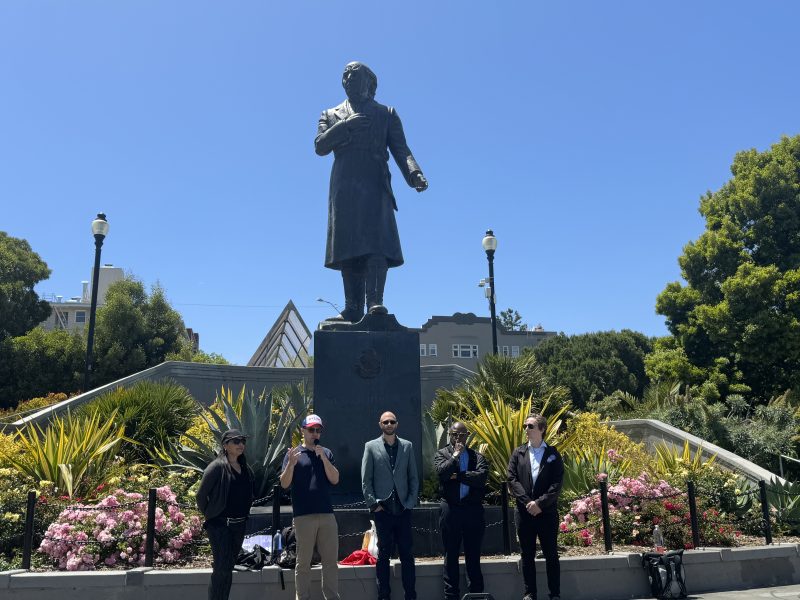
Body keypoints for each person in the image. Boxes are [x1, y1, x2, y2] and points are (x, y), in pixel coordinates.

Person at [315, 61, 428, 322]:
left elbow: (402, 150)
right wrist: (346, 126)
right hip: (344, 185)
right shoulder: (330, 114)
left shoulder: (386, 113)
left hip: (375, 181)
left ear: (370, 83)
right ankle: (352, 307)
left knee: (376, 242)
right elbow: (320, 146)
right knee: (347, 245)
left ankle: (375, 302)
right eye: (346, 78)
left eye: (355, 77)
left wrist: (414, 173)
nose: (349, 81)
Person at [280, 414, 341, 600]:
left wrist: (323, 458)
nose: (315, 433)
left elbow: (335, 479)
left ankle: (331, 597)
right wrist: (290, 464)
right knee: (303, 562)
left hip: (326, 515)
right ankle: (302, 597)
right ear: (303, 431)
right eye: (311, 430)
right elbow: (284, 484)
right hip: (303, 516)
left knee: (330, 562)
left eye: (318, 430)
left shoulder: (327, 453)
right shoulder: (294, 454)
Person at [361, 411, 420, 600]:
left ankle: (410, 595)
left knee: (407, 555)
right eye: (385, 422)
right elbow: (366, 480)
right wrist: (374, 505)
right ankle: (383, 596)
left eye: (392, 421)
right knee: (383, 556)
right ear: (380, 424)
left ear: (397, 424)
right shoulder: (371, 447)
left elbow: (413, 478)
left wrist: (410, 503)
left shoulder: (407, 446)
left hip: (403, 510)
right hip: (383, 511)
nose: (389, 424)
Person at [507, 414, 564, 600]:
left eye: (530, 426)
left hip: (546, 512)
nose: (526, 429)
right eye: (525, 426)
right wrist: (527, 502)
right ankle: (530, 593)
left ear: (541, 429)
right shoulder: (518, 453)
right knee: (527, 554)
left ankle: (554, 594)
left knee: (551, 553)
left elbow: (556, 484)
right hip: (524, 513)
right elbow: (512, 479)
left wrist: (539, 503)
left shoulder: (553, 454)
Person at [433, 421, 489, 600]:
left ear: (467, 435)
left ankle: (476, 594)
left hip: (472, 510)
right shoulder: (442, 454)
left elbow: (481, 478)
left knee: (473, 554)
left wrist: (458, 476)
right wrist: (455, 455)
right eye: (455, 434)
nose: (458, 438)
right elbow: (442, 473)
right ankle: (451, 595)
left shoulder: (476, 456)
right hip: (451, 509)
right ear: (450, 435)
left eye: (462, 435)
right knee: (451, 554)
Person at [196, 429, 254, 600]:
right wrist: (211, 516)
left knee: (227, 568)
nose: (241, 445)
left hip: (239, 525)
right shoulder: (217, 467)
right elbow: (201, 495)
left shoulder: (245, 468)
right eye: (236, 441)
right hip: (220, 525)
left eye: (243, 441)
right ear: (225, 445)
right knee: (221, 569)